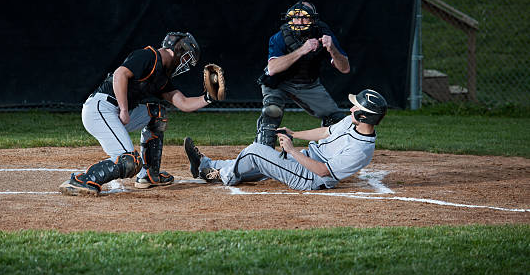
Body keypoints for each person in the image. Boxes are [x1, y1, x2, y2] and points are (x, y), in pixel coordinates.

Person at [60, 32, 216, 196]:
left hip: (115, 111)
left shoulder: (161, 77)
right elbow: (120, 74)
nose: (184, 64)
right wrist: (124, 109)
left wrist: (209, 98)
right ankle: (82, 180)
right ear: (178, 50)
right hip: (101, 109)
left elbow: (183, 103)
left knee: (157, 114)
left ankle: (149, 175)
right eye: (186, 58)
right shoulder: (148, 56)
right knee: (129, 161)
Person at [184, 89, 387, 191]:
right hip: (307, 159)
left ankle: (220, 174)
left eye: (356, 108)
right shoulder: (351, 122)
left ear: (364, 117)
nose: (351, 108)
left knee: (257, 150)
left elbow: (324, 171)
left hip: (310, 178)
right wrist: (294, 134)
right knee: (259, 162)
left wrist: (292, 151)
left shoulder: (361, 150)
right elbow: (325, 132)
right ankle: (206, 165)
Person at [256, 0, 350, 148]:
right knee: (272, 111)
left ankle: (329, 151)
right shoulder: (280, 36)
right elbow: (272, 68)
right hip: (279, 83)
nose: (298, 21)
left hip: (307, 84)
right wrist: (302, 50)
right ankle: (262, 150)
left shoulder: (324, 33)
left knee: (336, 119)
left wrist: (332, 49)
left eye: (304, 17)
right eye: (295, 17)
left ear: (313, 19)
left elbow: (345, 68)